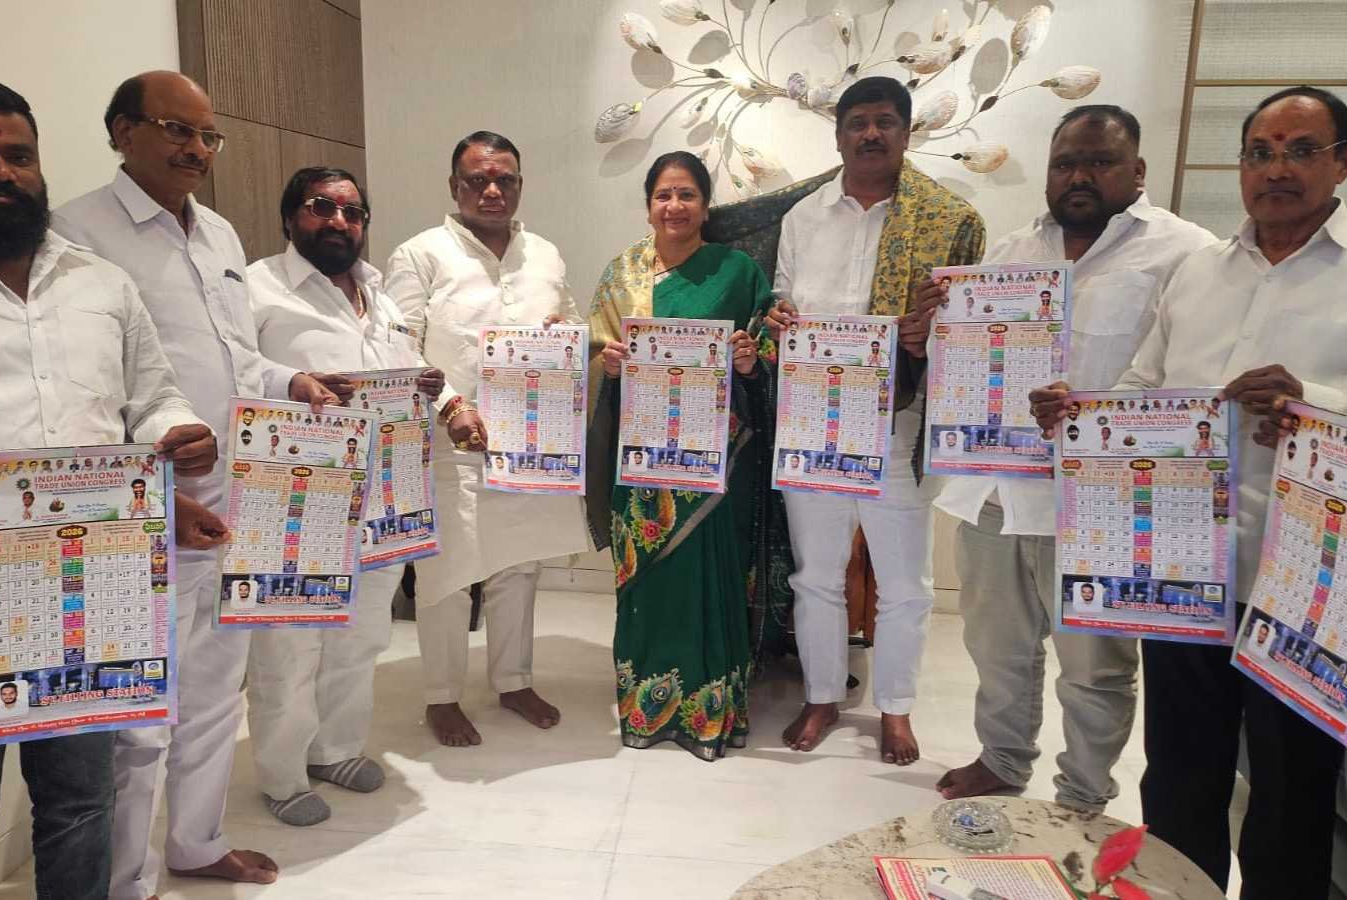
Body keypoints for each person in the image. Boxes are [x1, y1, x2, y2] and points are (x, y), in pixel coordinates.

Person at [0, 78, 215, 900]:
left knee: (83, 809)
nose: (1, 173)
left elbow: (152, 397)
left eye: (18, 155)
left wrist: (177, 430)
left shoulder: (101, 284)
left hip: (91, 596)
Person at [1031, 86, 1347, 898]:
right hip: (1182, 572)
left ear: (1343, 163)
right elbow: (1145, 385)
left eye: (1301, 150)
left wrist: (1316, 404)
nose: (1276, 169)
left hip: (1305, 588)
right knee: (1180, 774)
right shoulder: (1198, 271)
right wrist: (1081, 414)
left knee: (1291, 790)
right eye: (1260, 152)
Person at [55, 71, 339, 895]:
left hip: (238, 496)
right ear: (122, 132)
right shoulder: (76, 232)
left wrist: (288, 380)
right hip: (147, 508)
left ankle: (197, 842)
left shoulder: (216, 233)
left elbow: (233, 356)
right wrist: (145, 478)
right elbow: (80, 385)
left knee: (218, 689)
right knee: (141, 710)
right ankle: (127, 879)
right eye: (175, 129)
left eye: (207, 135)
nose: (195, 149)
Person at [933, 105, 1217, 810]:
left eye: (1099, 162)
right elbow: (964, 359)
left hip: (1102, 502)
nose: (1079, 176)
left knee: (1095, 667)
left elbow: (1190, 377)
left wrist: (1095, 415)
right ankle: (1003, 759)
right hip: (996, 491)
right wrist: (930, 328)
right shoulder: (1009, 253)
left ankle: (1083, 795)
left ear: (1137, 170)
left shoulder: (1186, 252)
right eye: (1065, 164)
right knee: (995, 646)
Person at [763, 77, 985, 763]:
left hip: (898, 421)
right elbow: (780, 301)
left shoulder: (949, 220)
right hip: (814, 422)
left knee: (906, 582)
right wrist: (778, 319)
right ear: (838, 136)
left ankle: (895, 708)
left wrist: (929, 335)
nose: (870, 134)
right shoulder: (803, 218)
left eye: (885, 121)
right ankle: (822, 696)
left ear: (906, 133)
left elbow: (974, 330)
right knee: (816, 575)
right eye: (857, 122)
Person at [243, 166, 448, 827]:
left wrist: (425, 385)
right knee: (290, 643)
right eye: (321, 207)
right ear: (289, 216)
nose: (339, 221)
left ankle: (334, 749)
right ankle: (281, 774)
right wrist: (290, 380)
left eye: (353, 212)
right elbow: (230, 367)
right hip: (296, 494)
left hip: (384, 494)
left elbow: (396, 371)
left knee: (361, 634)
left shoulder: (377, 294)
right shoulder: (256, 286)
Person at [385, 130, 589, 746]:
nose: (493, 190)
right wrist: (450, 404)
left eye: (505, 179)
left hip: (531, 441)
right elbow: (396, 346)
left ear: (520, 185)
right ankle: (441, 695)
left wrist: (565, 332)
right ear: (455, 187)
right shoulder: (420, 254)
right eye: (478, 179)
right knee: (446, 573)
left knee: (519, 565)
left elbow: (573, 321)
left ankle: (513, 680)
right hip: (449, 441)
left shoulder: (544, 253)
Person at [586, 151, 787, 760]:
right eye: (663, 195)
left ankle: (709, 712)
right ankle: (645, 707)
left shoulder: (737, 271)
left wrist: (750, 361)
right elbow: (594, 355)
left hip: (716, 459)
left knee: (712, 577)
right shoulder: (621, 275)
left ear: (705, 204)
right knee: (648, 581)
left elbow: (767, 350)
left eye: (687, 195)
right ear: (648, 205)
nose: (674, 206)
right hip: (642, 456)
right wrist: (608, 364)